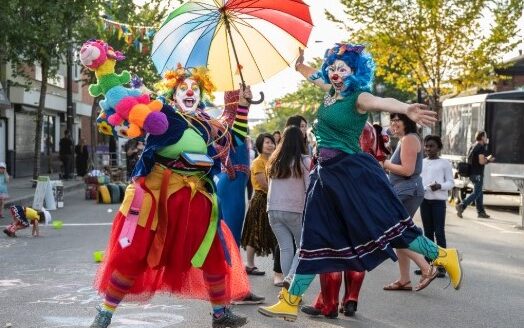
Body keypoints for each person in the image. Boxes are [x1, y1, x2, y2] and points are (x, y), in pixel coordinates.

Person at [258, 43, 463, 322]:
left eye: (343, 69)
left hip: (350, 173)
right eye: (333, 68)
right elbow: (312, 75)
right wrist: (299, 66)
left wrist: (406, 108)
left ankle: (441, 255)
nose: (335, 73)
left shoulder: (359, 96)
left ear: (354, 72)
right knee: (314, 236)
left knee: (387, 227)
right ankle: (290, 300)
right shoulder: (331, 92)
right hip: (325, 175)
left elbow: (383, 102)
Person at [85, 55, 250, 327]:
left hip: (196, 197)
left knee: (212, 252)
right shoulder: (161, 112)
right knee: (134, 253)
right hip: (157, 195)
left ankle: (221, 313)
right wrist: (105, 70)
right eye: (183, 88)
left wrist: (241, 105)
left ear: (202, 94)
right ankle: (105, 312)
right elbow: (127, 104)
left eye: (195, 89)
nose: (189, 92)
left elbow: (234, 139)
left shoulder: (209, 123)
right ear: (173, 93)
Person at [300, 122, 386, 319]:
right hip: (363, 193)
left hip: (334, 192)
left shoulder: (333, 122)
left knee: (331, 252)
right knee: (357, 249)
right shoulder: (367, 127)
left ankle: (329, 305)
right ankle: (351, 299)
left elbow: (322, 161)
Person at [382, 113, 438, 292]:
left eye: (397, 120)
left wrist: (384, 163)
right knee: (399, 233)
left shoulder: (409, 139)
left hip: (407, 191)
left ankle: (426, 267)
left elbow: (407, 170)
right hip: (406, 191)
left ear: (407, 121)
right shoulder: (405, 139)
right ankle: (405, 279)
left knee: (392, 233)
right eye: (392, 120)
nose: (394, 123)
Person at [266, 126, 311, 288]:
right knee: (303, 247)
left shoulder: (274, 160)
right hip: (295, 210)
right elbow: (309, 188)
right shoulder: (305, 161)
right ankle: (291, 278)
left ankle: (287, 283)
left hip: (273, 210)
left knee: (286, 248)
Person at [417, 135, 454, 278]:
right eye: (426, 146)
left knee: (439, 233)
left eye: (431, 146)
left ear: (438, 148)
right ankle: (428, 266)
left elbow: (451, 183)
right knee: (427, 233)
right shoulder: (422, 162)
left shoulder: (444, 163)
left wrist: (440, 186)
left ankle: (442, 266)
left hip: (438, 202)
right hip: (424, 201)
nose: (428, 149)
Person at [240, 133, 277, 279]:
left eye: (272, 142)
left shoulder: (275, 160)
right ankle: (249, 265)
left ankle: (279, 268)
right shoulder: (258, 162)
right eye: (267, 142)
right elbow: (264, 184)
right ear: (260, 145)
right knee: (254, 233)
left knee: (274, 235)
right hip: (261, 200)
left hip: (273, 199)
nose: (270, 145)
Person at [456, 131, 494, 219]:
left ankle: (481, 212)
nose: (486, 138)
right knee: (477, 192)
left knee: (479, 192)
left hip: (472, 173)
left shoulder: (473, 146)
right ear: (482, 138)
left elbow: (475, 159)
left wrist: (485, 159)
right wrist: (488, 160)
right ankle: (462, 205)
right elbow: (481, 162)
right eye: (485, 137)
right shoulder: (480, 147)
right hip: (477, 173)